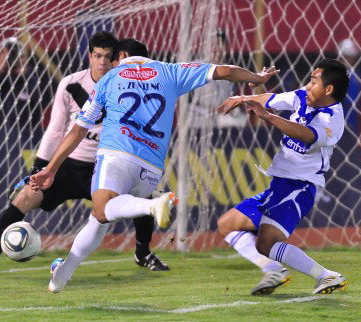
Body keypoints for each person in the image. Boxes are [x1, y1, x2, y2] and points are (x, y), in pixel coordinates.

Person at [29, 37, 279, 293]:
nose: (113, 62)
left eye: (115, 57)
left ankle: (153, 205)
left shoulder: (110, 78)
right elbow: (224, 71)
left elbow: (78, 129)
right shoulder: (170, 71)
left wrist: (50, 168)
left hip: (116, 155)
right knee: (99, 219)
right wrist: (257, 79)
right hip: (151, 168)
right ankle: (62, 274)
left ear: (122, 55)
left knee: (103, 210)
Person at [0, 32, 169, 279]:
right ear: (90, 56)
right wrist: (37, 170)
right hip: (69, 165)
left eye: (108, 57)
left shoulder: (127, 84)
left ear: (116, 59)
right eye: (97, 56)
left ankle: (143, 253)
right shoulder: (71, 83)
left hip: (108, 166)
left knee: (143, 194)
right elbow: (55, 129)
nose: (102, 62)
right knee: (25, 196)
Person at [217, 58, 349, 295]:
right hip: (280, 185)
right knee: (227, 224)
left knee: (266, 243)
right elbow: (269, 99)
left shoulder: (333, 117)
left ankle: (325, 276)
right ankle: (276, 270)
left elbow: (307, 134)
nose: (308, 85)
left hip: (300, 187)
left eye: (314, 81)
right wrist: (244, 97)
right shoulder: (301, 96)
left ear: (329, 89)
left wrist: (268, 117)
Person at [338, 38, 361, 135]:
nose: (349, 59)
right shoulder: (337, 74)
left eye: (351, 57)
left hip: (354, 123)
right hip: (339, 122)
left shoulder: (356, 74)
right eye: (347, 56)